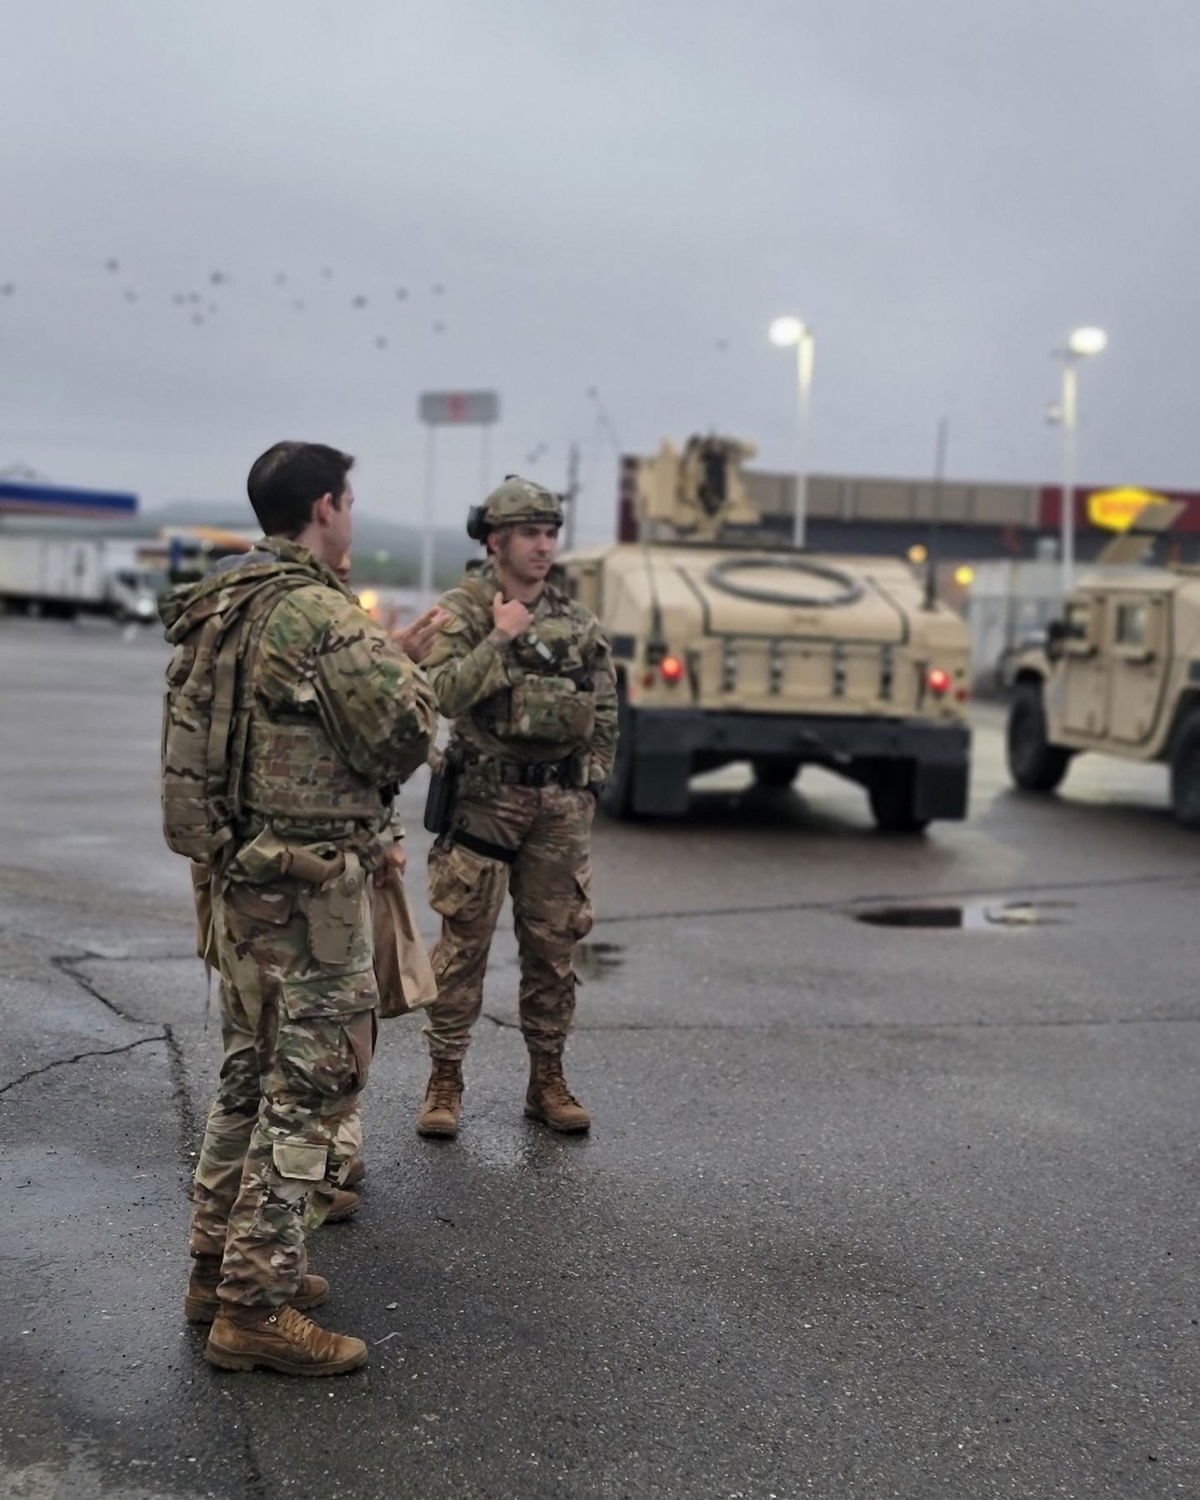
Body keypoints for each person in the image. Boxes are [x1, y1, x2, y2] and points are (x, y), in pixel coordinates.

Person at [164, 442, 438, 1376]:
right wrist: (414, 674)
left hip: (239, 880)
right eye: (350, 501)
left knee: (247, 1071)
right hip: (311, 891)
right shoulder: (319, 612)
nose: (353, 517)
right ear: (325, 507)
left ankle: (217, 1265)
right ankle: (257, 1307)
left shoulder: (221, 604)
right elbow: (400, 734)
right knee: (310, 1088)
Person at [415, 476, 617, 1138]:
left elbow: (605, 702)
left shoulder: (577, 620)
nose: (543, 545)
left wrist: (592, 781)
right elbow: (442, 692)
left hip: (558, 806)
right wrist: (498, 639)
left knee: (554, 951)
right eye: (530, 533)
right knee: (463, 947)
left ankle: (547, 1079)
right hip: (484, 801)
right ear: (496, 541)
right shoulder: (466, 610)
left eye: (551, 533)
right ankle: (444, 1080)